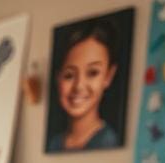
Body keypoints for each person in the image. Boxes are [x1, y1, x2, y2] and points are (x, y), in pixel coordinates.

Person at [47, 20, 120, 152]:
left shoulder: (109, 142)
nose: (79, 86)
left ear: (108, 76)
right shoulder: (54, 144)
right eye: (69, 75)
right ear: (58, 78)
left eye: (92, 73)